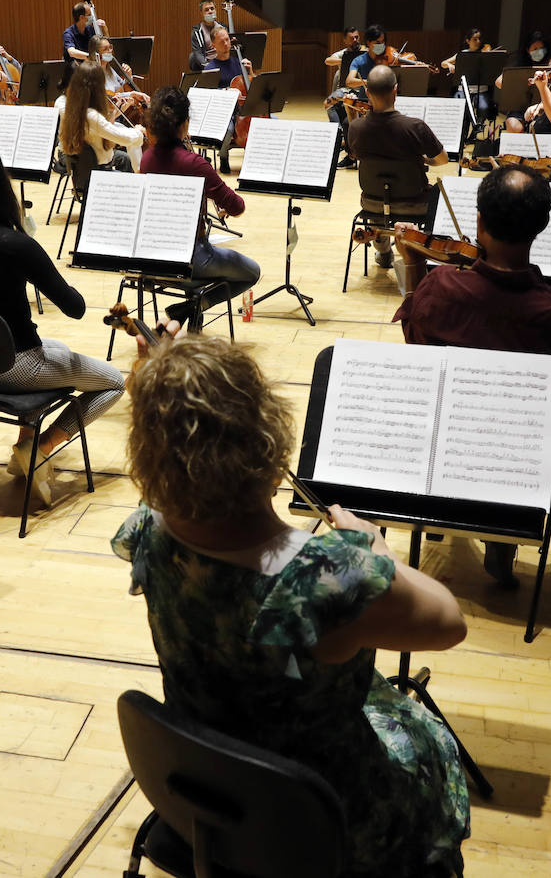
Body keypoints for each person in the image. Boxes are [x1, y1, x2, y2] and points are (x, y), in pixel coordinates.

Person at [113, 333, 470, 878]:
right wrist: (377, 549)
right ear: (268, 438)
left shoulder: (148, 528)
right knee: (427, 742)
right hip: (322, 817)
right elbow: (449, 622)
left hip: (210, 777)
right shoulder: (326, 579)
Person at [393, 165, 551, 584]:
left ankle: (450, 509)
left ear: (478, 221)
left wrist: (412, 268)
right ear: (544, 227)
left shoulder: (439, 285)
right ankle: (512, 522)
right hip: (521, 435)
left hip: (447, 424)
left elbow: (417, 350)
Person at [0, 135, 124, 507]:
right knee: (113, 383)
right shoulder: (13, 243)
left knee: (57, 349)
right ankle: (41, 447)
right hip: (17, 366)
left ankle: (25, 444)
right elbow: (75, 307)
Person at [139, 87, 261, 326]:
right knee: (252, 272)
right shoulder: (195, 164)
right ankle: (196, 305)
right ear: (184, 124)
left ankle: (187, 312)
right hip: (192, 257)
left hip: (153, 254)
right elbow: (237, 207)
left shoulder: (147, 159)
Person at [345, 64, 446, 283]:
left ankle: (383, 252)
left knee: (382, 199)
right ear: (395, 90)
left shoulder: (356, 128)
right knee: (441, 191)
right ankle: (425, 256)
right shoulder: (415, 127)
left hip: (371, 204)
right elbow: (442, 159)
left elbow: (355, 152)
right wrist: (423, 159)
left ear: (368, 93)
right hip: (414, 204)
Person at [58, 60, 145, 173]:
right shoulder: (91, 116)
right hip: (99, 173)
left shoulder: (75, 109)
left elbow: (105, 127)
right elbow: (123, 138)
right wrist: (138, 132)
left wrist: (115, 110)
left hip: (83, 174)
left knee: (124, 159)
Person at [326, 24, 389, 168]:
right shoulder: (356, 58)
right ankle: (345, 147)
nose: (381, 46)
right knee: (334, 109)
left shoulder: (379, 56)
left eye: (356, 37)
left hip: (383, 100)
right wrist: (369, 80)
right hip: (355, 94)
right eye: (377, 43)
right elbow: (346, 78)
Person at [208, 24, 253, 174]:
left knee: (272, 120)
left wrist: (251, 72)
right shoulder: (211, 68)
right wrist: (225, 90)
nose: (226, 44)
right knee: (228, 130)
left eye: (227, 40)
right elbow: (208, 93)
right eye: (222, 42)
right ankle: (224, 156)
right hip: (223, 111)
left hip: (242, 109)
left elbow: (250, 86)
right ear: (214, 45)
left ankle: (256, 158)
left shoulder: (238, 63)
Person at [441, 27, 496, 124]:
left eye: (479, 39)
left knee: (484, 107)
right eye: (475, 39)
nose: (478, 41)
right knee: (458, 107)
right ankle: (462, 130)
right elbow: (443, 63)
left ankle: (477, 128)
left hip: (481, 90)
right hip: (464, 89)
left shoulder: (484, 54)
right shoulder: (462, 54)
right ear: (468, 41)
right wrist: (449, 65)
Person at [93, 35, 150, 114]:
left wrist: (128, 76)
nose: (110, 51)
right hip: (106, 114)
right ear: (97, 53)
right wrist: (132, 94)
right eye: (105, 49)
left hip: (117, 111)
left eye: (110, 47)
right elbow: (111, 97)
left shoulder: (110, 70)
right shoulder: (93, 74)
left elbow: (121, 90)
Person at [62, 1, 104, 65]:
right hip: (74, 69)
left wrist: (105, 29)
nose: (92, 17)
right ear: (81, 17)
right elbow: (72, 52)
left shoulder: (90, 30)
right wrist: (90, 57)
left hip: (88, 66)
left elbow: (102, 45)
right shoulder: (68, 33)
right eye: (89, 15)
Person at [324, 26, 363, 92]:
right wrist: (346, 60)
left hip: (362, 89)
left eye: (356, 37)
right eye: (351, 38)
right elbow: (327, 61)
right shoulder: (343, 54)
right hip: (344, 90)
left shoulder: (365, 52)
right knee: (329, 101)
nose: (355, 40)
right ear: (345, 40)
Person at [188, 0, 220, 71]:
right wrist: (209, 68)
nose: (210, 11)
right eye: (206, 10)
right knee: (192, 56)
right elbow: (198, 53)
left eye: (212, 9)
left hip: (221, 61)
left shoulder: (223, 28)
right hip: (207, 63)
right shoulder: (197, 31)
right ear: (201, 13)